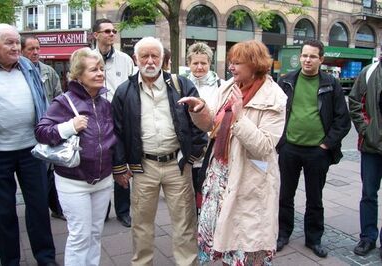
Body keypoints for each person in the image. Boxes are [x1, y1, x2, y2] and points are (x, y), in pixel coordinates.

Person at [179, 40, 287, 265]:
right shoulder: (229, 86)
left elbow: (265, 147)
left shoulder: (274, 97)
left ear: (254, 64)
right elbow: (212, 125)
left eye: (237, 63)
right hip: (220, 175)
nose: (231, 67)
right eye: (231, 62)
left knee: (245, 244)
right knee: (223, 239)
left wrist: (239, 118)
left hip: (250, 180)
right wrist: (198, 109)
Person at [112, 36, 207, 265]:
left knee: (185, 222)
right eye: (145, 56)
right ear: (136, 59)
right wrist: (119, 166)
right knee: (141, 224)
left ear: (163, 58)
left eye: (155, 55)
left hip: (177, 165)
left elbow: (199, 119)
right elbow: (117, 132)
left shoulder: (181, 85)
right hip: (144, 167)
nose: (150, 61)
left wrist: (193, 154)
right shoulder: (124, 91)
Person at [0, 23, 57, 266]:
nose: (16, 47)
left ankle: (45, 258)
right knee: (2, 213)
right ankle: (10, 261)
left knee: (38, 208)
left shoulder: (28, 67)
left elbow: (42, 100)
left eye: (17, 42)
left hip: (31, 150)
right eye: (9, 43)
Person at [35, 47, 117, 266]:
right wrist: (69, 126)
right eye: (93, 70)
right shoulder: (63, 102)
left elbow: (112, 139)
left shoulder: (105, 104)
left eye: (101, 69)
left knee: (95, 234)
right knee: (80, 237)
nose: (100, 73)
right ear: (79, 75)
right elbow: (41, 132)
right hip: (73, 182)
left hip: (103, 180)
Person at [276, 39, 351, 258]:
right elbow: (276, 112)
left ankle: (314, 239)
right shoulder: (287, 80)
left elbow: (342, 119)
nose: (307, 60)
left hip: (317, 152)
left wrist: (327, 144)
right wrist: (281, 142)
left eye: (312, 56)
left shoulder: (331, 83)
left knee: (315, 198)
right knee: (285, 195)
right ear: (300, 57)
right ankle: (283, 232)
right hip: (289, 148)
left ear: (321, 59)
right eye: (304, 56)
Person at [93, 18, 134, 227]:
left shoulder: (125, 59)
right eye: (107, 31)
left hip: (120, 119)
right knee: (100, 163)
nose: (112, 34)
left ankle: (123, 210)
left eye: (114, 31)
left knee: (121, 162)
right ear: (96, 35)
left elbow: (133, 87)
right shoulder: (86, 58)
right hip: (95, 120)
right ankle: (102, 210)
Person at [21, 35, 65, 221]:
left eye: (38, 48)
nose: (36, 52)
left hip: (49, 129)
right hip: (28, 134)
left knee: (52, 170)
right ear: (22, 51)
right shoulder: (20, 73)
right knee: (39, 173)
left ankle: (56, 207)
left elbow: (58, 96)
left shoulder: (48, 71)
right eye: (31, 49)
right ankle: (42, 207)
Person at [349, 56, 382, 258]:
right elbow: (354, 103)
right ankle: (368, 237)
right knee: (369, 194)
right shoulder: (369, 72)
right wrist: (366, 130)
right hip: (371, 147)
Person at [186, 42, 223, 213]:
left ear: (210, 63)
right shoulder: (182, 84)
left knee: (211, 189)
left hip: (212, 147)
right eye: (195, 63)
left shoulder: (220, 85)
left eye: (204, 63)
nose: (199, 67)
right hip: (189, 147)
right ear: (189, 63)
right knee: (190, 191)